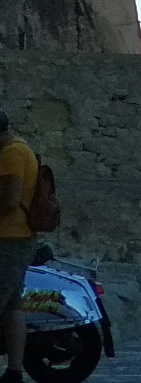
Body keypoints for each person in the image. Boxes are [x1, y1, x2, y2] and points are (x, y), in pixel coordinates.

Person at [0, 107, 39, 383]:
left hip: (8, 239)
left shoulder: (11, 152)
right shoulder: (22, 147)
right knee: (13, 306)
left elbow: (11, 200)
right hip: (19, 238)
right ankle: (14, 372)